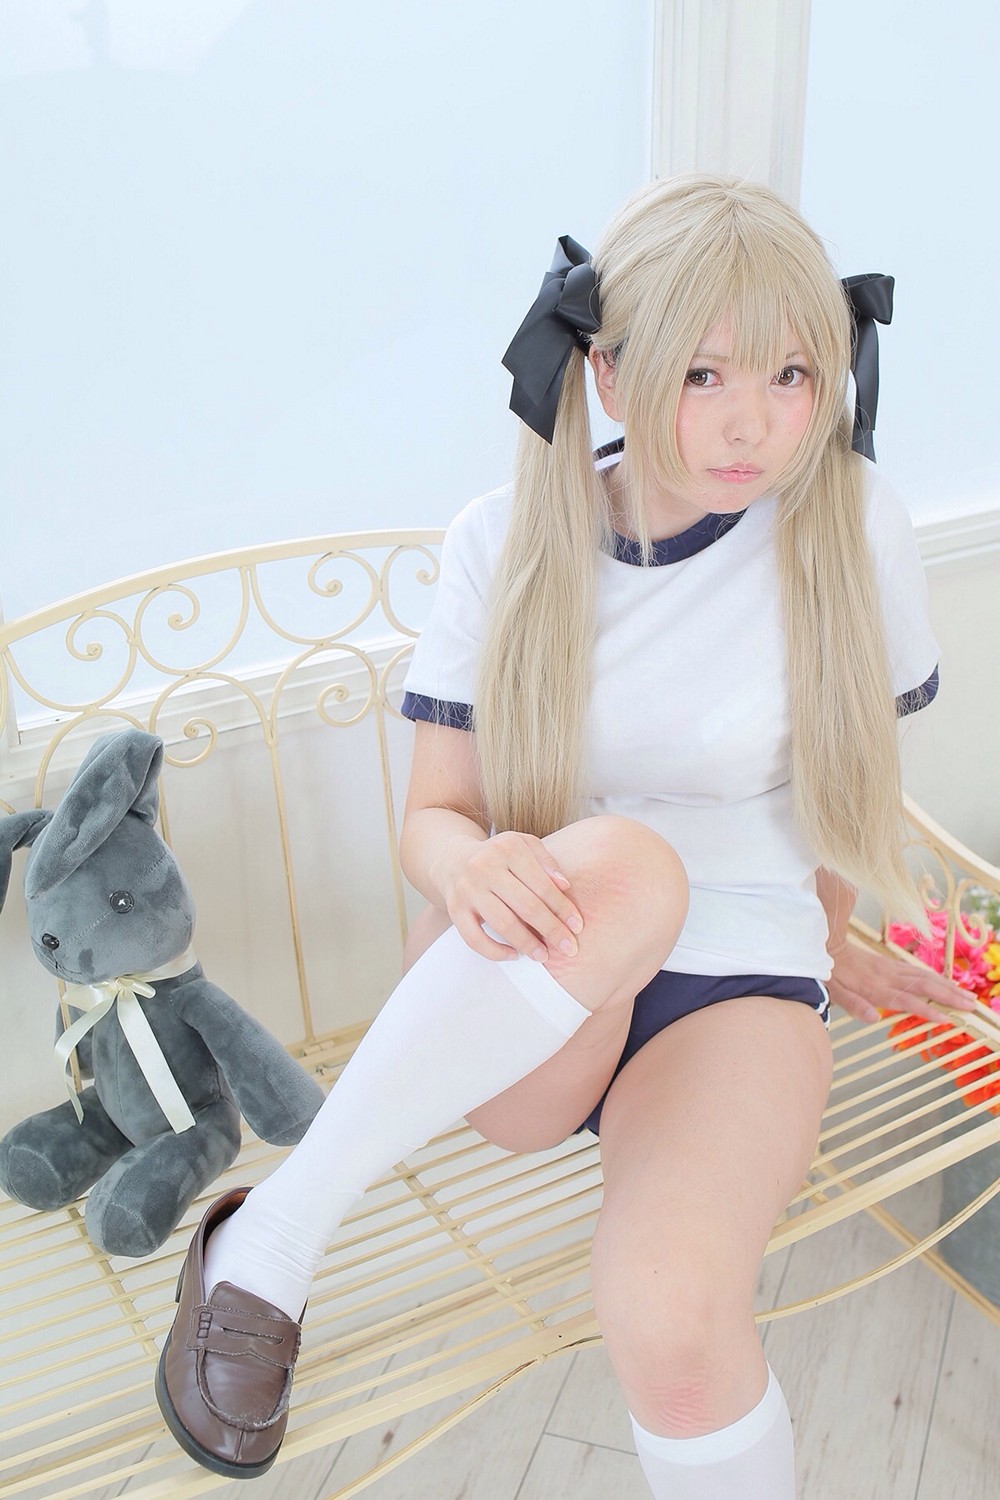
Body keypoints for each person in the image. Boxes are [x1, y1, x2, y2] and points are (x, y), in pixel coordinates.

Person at [155, 175, 974, 1495]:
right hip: (525, 978)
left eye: (790, 374)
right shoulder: (507, 542)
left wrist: (835, 947)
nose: (752, 421)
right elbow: (432, 822)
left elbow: (841, 788)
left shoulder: (850, 523)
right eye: (702, 373)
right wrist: (470, 861)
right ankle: (273, 1243)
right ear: (607, 370)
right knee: (635, 870)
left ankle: (266, 1241)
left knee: (672, 1320)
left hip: (740, 984)